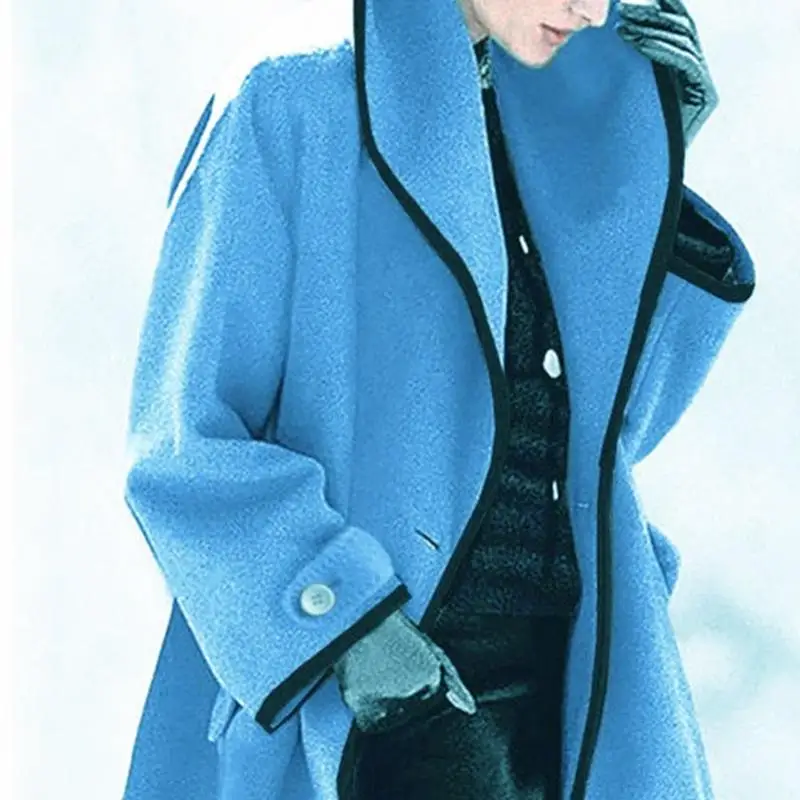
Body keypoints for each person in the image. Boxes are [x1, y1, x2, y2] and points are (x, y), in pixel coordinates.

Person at [121, 1, 755, 798]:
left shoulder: (551, 129)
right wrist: (356, 636)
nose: (590, 8)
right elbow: (185, 442)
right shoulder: (292, 101)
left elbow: (601, 438)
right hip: (396, 694)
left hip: (573, 686)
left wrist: (643, 171)